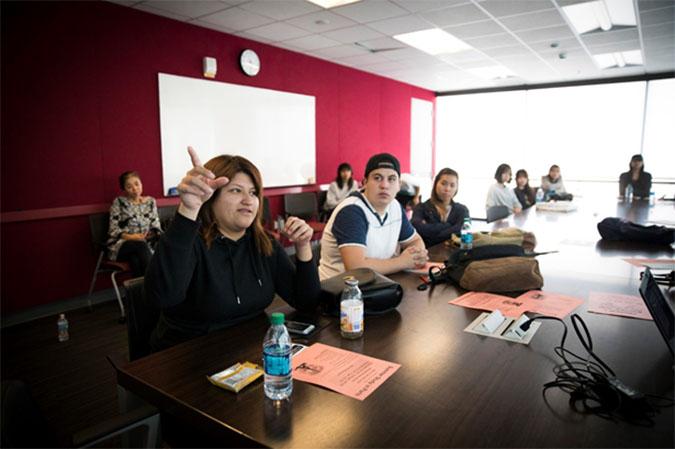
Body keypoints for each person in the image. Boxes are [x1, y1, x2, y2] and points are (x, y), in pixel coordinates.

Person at [145, 147, 320, 351]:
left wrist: (303, 246)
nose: (248, 200)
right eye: (236, 190)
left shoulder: (264, 244)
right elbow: (162, 297)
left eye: (253, 192)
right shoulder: (190, 242)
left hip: (249, 351)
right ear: (210, 196)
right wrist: (189, 209)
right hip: (188, 356)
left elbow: (306, 302)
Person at [319, 153, 428, 280]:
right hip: (339, 291)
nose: (384, 185)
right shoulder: (352, 210)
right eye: (377, 178)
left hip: (379, 283)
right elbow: (356, 268)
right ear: (365, 183)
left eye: (392, 179)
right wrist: (403, 262)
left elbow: (415, 241)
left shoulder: (395, 206)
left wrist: (416, 256)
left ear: (399, 185)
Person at [107, 171, 162, 277]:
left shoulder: (150, 202)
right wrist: (132, 237)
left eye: (137, 184)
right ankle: (155, 284)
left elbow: (156, 225)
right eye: (129, 186)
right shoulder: (119, 202)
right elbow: (113, 230)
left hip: (145, 244)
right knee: (140, 246)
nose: (135, 189)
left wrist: (151, 234)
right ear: (124, 189)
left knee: (135, 260)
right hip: (121, 245)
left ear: (141, 184)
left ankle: (139, 292)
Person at [411, 168, 470, 247]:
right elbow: (418, 228)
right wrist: (449, 226)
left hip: (455, 256)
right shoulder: (421, 208)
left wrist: (431, 234)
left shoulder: (462, 210)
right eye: (443, 183)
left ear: (456, 189)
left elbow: (466, 237)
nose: (447, 189)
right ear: (435, 184)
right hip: (428, 255)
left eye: (452, 185)